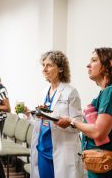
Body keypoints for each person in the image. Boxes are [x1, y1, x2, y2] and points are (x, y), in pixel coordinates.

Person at [57, 47, 112, 178]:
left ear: (109, 64)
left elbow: (98, 132)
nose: (88, 65)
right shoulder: (106, 93)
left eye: (94, 60)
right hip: (100, 165)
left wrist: (73, 121)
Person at [24, 50, 84, 178]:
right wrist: (29, 114)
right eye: (43, 65)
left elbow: (78, 124)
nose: (44, 69)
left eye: (49, 65)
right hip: (42, 149)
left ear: (61, 68)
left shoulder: (70, 92)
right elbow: (40, 123)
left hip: (61, 150)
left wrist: (67, 124)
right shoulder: (44, 92)